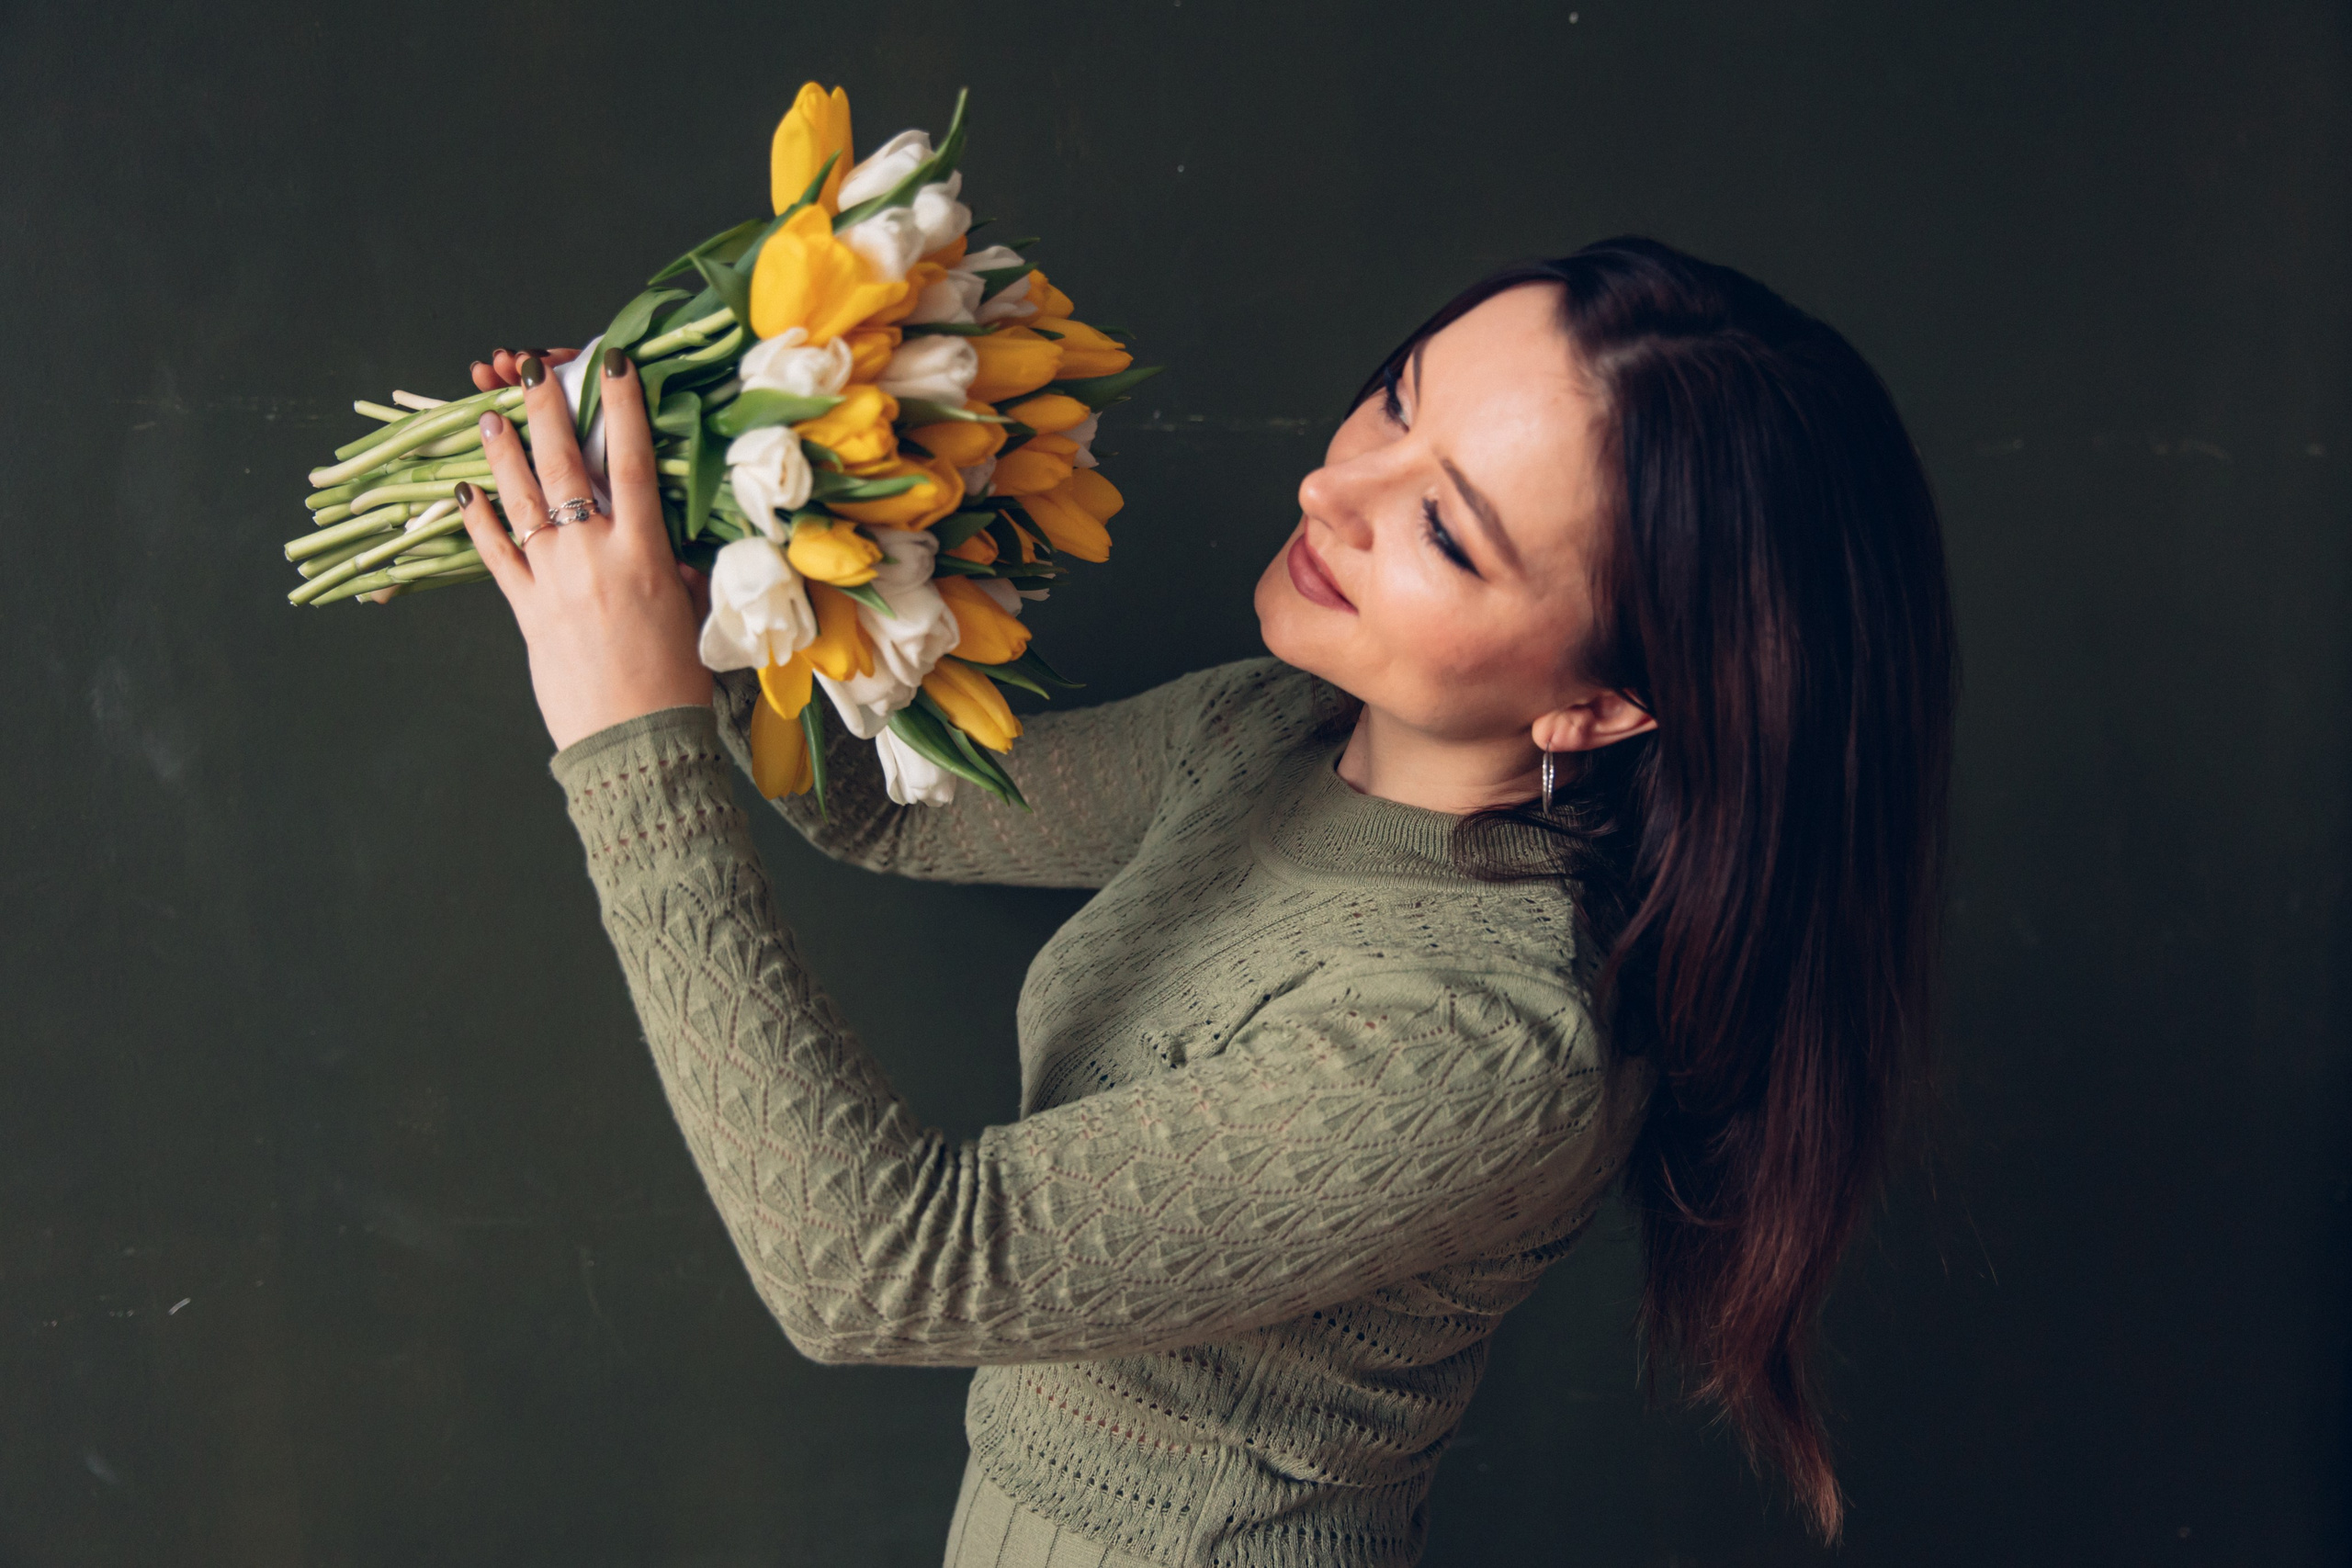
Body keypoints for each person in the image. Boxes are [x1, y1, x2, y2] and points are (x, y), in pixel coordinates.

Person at [452, 235, 1955, 1567]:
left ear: (1608, 703)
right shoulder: (1268, 730)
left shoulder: (1487, 1042)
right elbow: (885, 805)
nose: (1332, 486)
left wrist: (621, 731)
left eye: (1444, 529)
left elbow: (875, 1268)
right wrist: (680, 513)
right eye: (1395, 399)